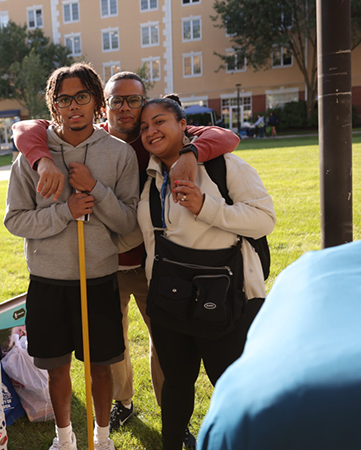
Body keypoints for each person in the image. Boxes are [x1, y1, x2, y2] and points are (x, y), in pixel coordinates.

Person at [11, 72, 239, 445]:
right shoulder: (78, 132)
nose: (126, 108)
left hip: (151, 264)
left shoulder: (158, 134)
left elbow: (225, 136)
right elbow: (25, 128)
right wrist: (41, 160)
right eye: (118, 100)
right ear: (107, 104)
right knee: (111, 353)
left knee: (163, 344)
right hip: (104, 268)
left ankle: (173, 415)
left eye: (134, 100)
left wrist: (190, 153)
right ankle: (123, 404)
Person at [4, 62, 140, 450]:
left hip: (98, 278)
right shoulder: (33, 157)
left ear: (97, 101)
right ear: (53, 105)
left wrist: (95, 189)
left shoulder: (118, 154)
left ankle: (102, 437)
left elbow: (129, 224)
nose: (73, 105)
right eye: (64, 98)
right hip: (48, 280)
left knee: (101, 366)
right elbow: (15, 221)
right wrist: (66, 211)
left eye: (82, 96)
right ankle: (64, 438)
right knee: (56, 368)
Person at [137, 95, 275, 450]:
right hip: (170, 302)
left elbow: (263, 220)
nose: (151, 131)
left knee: (233, 388)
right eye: (144, 126)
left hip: (227, 301)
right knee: (177, 385)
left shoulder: (224, 167)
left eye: (160, 121)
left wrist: (206, 207)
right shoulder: (149, 178)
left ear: (184, 126)